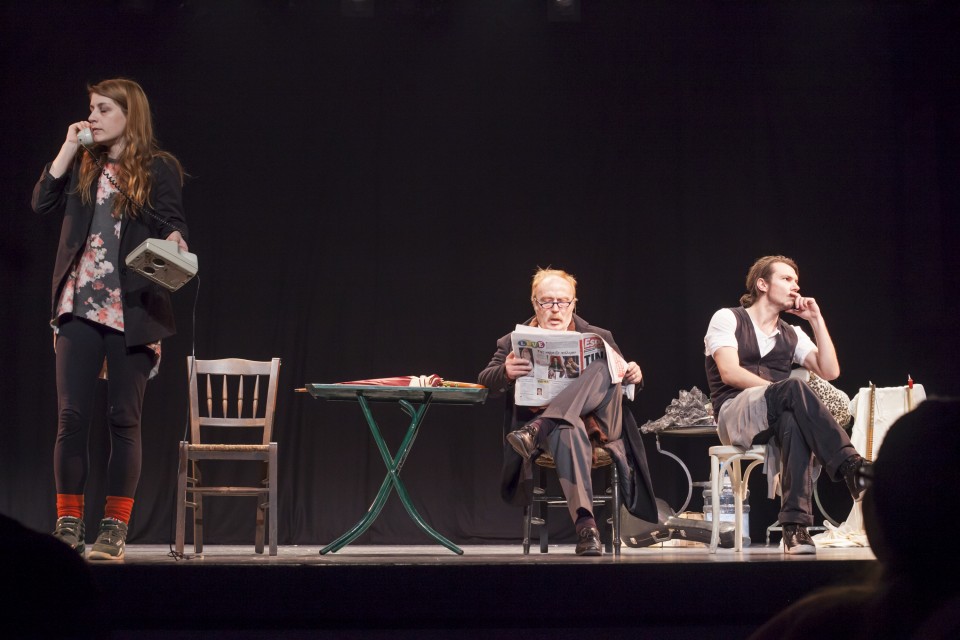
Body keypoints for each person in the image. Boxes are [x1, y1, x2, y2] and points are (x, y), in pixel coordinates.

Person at [31, 78, 189, 562]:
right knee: (71, 418)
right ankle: (68, 525)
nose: (92, 117)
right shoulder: (83, 162)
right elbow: (41, 202)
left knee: (124, 419)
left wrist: (176, 239)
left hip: (133, 308)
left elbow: (171, 220)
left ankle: (114, 529)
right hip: (78, 306)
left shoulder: (158, 167)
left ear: (128, 114)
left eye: (102, 109)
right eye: (91, 109)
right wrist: (67, 146)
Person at [478, 267, 657, 555]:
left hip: (600, 425)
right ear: (534, 303)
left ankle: (539, 428)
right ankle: (587, 529)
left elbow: (621, 381)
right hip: (557, 435)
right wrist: (506, 372)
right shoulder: (513, 340)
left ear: (574, 303)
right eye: (547, 301)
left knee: (604, 366)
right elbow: (485, 380)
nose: (555, 309)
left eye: (563, 301)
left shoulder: (598, 336)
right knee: (566, 429)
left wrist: (634, 375)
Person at [748, 398, 960, 639]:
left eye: (872, 480)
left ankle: (849, 465)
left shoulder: (824, 621)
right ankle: (849, 464)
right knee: (793, 406)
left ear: (874, 514)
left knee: (795, 400)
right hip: (757, 410)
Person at [704, 255, 867, 554]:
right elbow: (729, 372)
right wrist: (780, 390)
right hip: (734, 414)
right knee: (794, 388)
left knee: (794, 420)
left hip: (776, 417)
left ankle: (794, 528)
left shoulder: (792, 333)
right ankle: (850, 465)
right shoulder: (728, 318)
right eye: (787, 279)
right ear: (762, 284)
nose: (796, 287)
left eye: (796, 281)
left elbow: (830, 371)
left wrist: (816, 319)